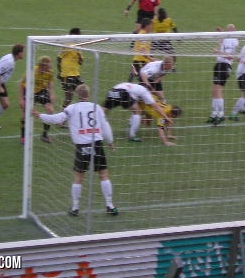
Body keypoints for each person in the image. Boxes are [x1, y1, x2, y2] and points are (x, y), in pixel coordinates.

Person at [33, 84, 119, 216]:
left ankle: (75, 208)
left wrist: (40, 115)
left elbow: (57, 119)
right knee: (104, 175)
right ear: (88, 95)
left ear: (78, 95)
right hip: (97, 144)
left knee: (79, 178)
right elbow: (105, 126)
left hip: (82, 146)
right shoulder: (97, 108)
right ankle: (110, 205)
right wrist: (110, 141)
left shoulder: (71, 108)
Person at [104, 82, 176, 145]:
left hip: (113, 90)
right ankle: (132, 136)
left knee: (103, 112)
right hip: (123, 92)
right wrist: (166, 118)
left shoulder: (136, 88)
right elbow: (156, 107)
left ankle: (95, 127)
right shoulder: (145, 92)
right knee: (138, 111)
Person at [20, 56, 57, 144]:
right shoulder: (31, 72)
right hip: (29, 92)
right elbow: (21, 84)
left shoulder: (49, 72)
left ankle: (44, 135)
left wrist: (52, 93)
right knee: (26, 115)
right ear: (42, 66)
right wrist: (21, 99)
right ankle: (23, 136)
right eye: (48, 67)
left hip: (41, 91)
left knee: (50, 110)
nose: (50, 68)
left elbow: (50, 82)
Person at [209, 24, 239, 125]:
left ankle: (220, 115)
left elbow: (230, 56)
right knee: (214, 90)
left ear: (235, 31)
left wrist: (218, 51)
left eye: (231, 29)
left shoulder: (234, 41)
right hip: (218, 64)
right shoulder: (226, 38)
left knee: (218, 90)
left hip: (225, 65)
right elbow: (223, 39)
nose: (229, 30)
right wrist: (220, 31)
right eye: (228, 29)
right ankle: (213, 114)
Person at [58, 27, 84, 108]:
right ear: (74, 34)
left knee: (83, 93)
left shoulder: (79, 46)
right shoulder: (66, 43)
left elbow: (80, 62)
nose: (80, 36)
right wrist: (60, 72)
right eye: (79, 34)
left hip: (76, 74)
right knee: (69, 97)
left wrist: (79, 55)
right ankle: (63, 116)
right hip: (66, 74)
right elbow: (59, 58)